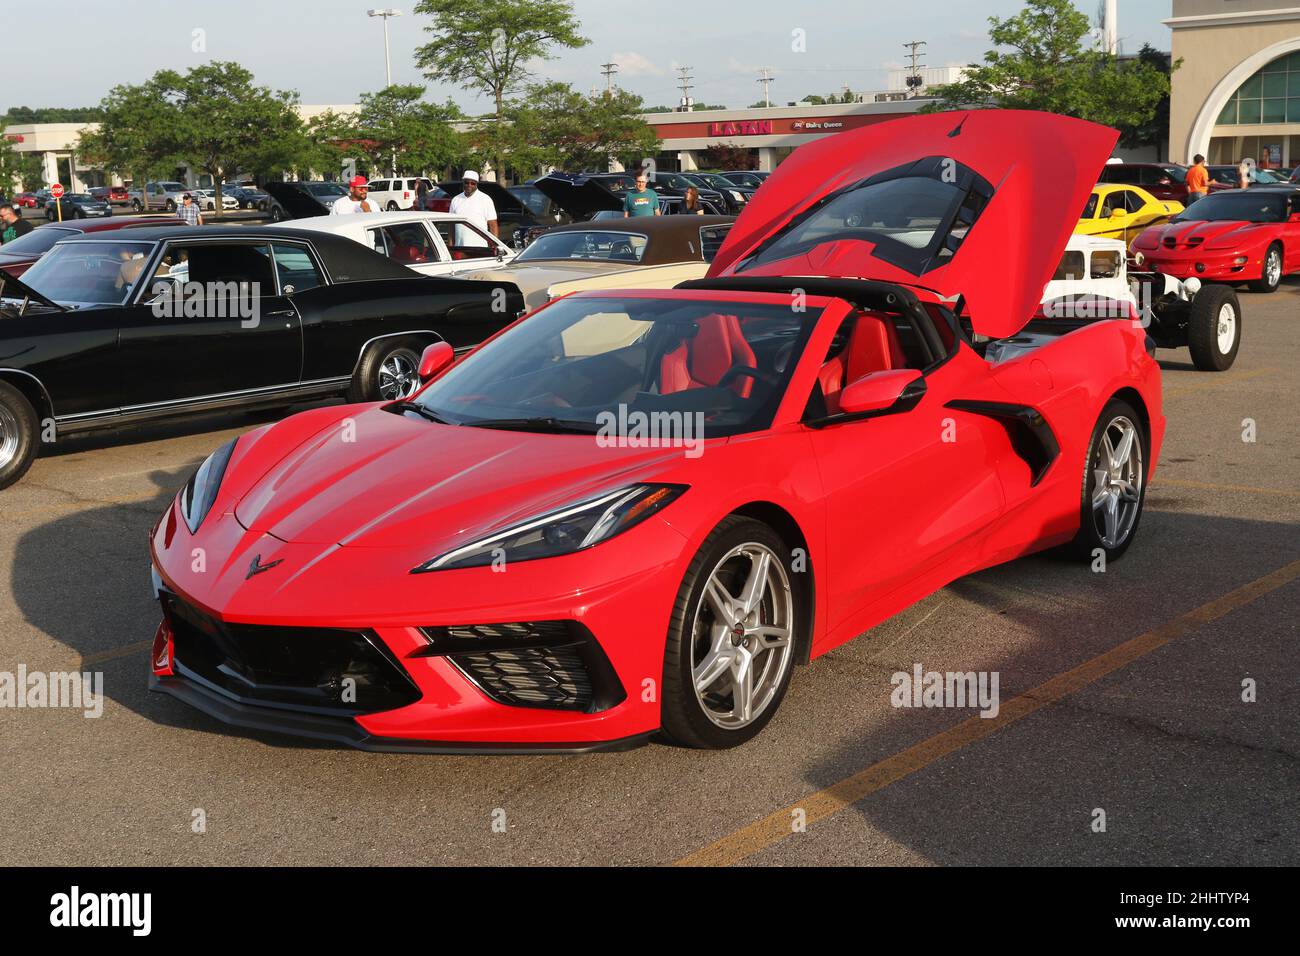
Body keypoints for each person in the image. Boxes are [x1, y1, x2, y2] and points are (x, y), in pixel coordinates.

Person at [448, 170, 498, 248]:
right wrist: (450, 246)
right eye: (467, 182)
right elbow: (451, 226)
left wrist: (494, 246)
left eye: (473, 183)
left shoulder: (485, 199)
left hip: (480, 248)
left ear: (476, 184)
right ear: (463, 182)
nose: (469, 185)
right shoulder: (455, 199)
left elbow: (493, 225)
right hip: (460, 248)